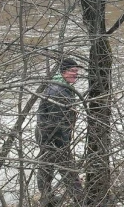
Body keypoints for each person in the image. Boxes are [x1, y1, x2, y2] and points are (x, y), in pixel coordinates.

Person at [36, 58, 85, 206]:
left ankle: (46, 198)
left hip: (46, 134)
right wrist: (65, 144)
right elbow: (57, 124)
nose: (76, 74)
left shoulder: (62, 86)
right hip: (51, 136)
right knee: (66, 167)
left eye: (77, 71)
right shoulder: (58, 91)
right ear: (63, 72)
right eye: (73, 71)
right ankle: (80, 199)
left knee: (46, 166)